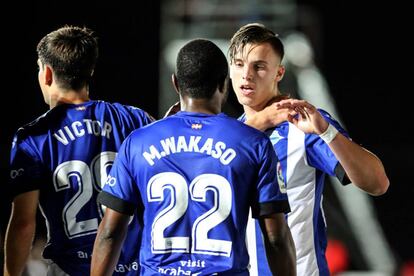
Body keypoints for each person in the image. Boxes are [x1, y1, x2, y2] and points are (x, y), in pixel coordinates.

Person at [91, 38, 296, 276]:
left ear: (176, 83)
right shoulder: (254, 143)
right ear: (224, 84)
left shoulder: (137, 143)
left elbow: (110, 232)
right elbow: (276, 237)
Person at [228, 22, 390, 276]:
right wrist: (260, 122)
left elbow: (377, 183)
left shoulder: (302, 124)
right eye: (238, 64)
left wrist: (327, 132)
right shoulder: (226, 135)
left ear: (279, 73)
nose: (246, 75)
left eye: (259, 66)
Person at [3, 25, 154, 276]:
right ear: (90, 70)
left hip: (69, 269)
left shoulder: (34, 137)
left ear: (47, 73)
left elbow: (23, 223)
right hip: (131, 268)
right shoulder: (134, 119)